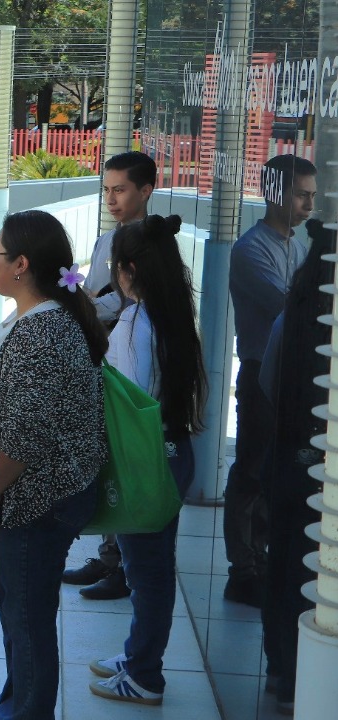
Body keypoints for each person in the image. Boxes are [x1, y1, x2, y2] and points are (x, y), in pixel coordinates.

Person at [0, 210, 108, 720]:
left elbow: (24, 437)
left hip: (33, 497)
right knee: (12, 598)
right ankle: (15, 702)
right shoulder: (35, 315)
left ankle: (28, 712)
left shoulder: (42, 333)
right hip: (31, 492)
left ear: (21, 264)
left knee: (27, 614)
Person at [86, 215, 207, 707]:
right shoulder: (170, 314)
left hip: (147, 459)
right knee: (152, 566)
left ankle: (144, 675)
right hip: (174, 452)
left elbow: (129, 400)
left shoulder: (136, 323)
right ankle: (139, 655)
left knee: (149, 571)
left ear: (128, 268)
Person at [63, 151, 156, 602]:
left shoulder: (152, 243)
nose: (112, 199)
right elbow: (98, 295)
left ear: (146, 191)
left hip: (127, 361)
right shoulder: (106, 242)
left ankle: (122, 566)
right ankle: (107, 555)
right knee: (105, 459)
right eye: (107, 190)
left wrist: (84, 306)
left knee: (123, 459)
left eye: (121, 190)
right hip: (102, 354)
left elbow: (121, 304)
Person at [224, 154, 315, 608]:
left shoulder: (300, 247)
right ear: (276, 194)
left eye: (313, 196)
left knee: (275, 473)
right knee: (251, 473)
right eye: (302, 195)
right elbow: (291, 306)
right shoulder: (250, 250)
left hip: (291, 379)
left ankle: (260, 561)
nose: (308, 206)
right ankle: (243, 569)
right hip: (261, 376)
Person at [257, 219, 332, 714]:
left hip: (285, 459)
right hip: (320, 471)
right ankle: (308, 680)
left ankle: (283, 672)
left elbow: (266, 378)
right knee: (316, 570)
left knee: (283, 562)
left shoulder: (295, 308)